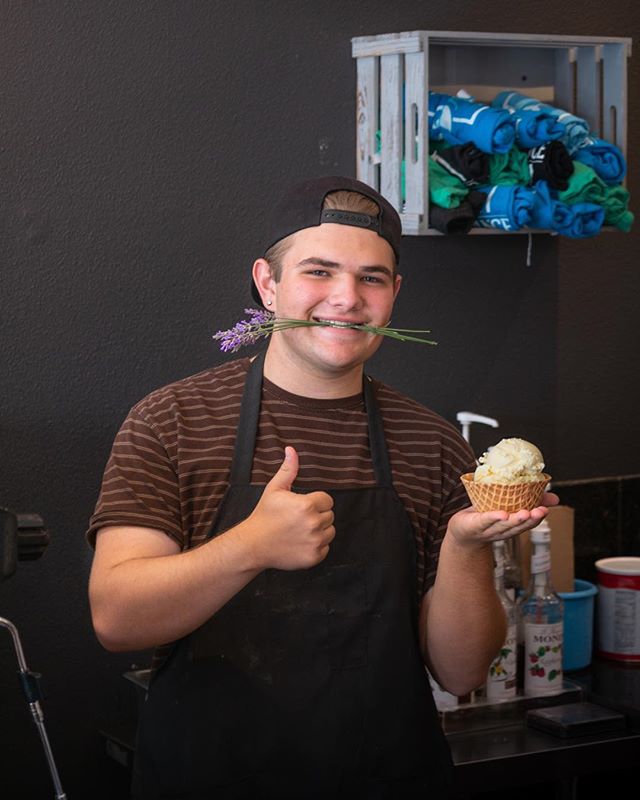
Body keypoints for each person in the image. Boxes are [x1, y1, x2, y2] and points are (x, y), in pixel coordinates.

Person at [87, 175, 558, 799]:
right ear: (267, 283)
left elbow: (462, 670)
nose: (346, 297)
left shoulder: (433, 443)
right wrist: (249, 546)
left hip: (387, 780)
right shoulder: (173, 421)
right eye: (318, 271)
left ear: (395, 294)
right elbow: (117, 618)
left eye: (371, 278)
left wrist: (465, 549)